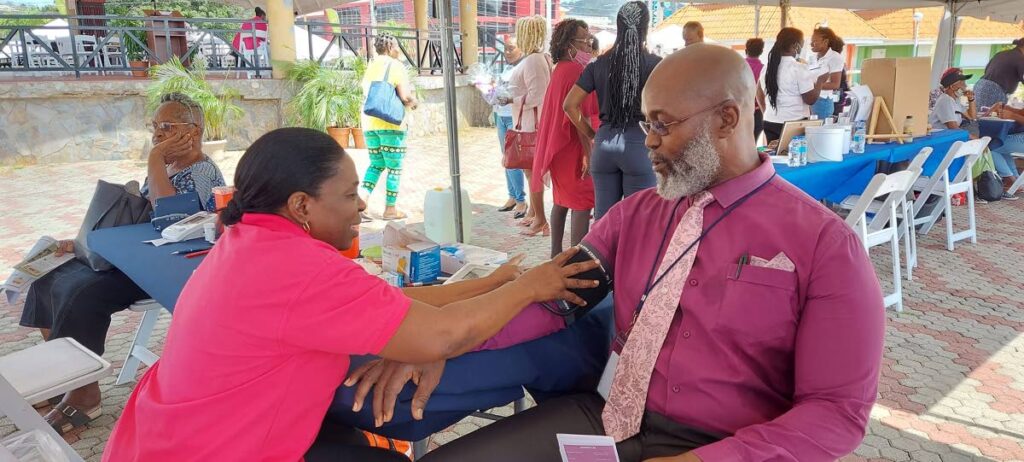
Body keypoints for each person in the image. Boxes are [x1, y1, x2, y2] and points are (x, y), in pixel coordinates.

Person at [419, 44, 885, 462]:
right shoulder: (633, 215)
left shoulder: (826, 245)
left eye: (663, 124)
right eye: (647, 123)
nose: (649, 141)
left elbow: (836, 413)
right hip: (606, 420)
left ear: (727, 118)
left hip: (727, 444)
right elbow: (554, 299)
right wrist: (448, 341)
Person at [101, 128, 600, 462]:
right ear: (301, 205)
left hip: (165, 439)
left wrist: (497, 284)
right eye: (347, 194)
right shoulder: (297, 268)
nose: (361, 205)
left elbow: (404, 308)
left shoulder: (249, 242)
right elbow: (442, 336)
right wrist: (532, 286)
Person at [21, 93, 226, 435]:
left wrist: (155, 159)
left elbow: (167, 215)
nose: (157, 134)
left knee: (82, 295)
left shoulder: (202, 170)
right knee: (49, 279)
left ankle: (85, 395)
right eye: (155, 127)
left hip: (161, 263)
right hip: (134, 252)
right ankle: (66, 378)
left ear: (194, 130)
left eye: (167, 127)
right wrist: (82, 243)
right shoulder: (169, 164)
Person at [564, 1, 661, 220]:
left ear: (619, 27)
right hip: (640, 143)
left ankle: (601, 256)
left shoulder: (597, 65)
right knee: (639, 222)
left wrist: (592, 134)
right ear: (645, 28)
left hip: (604, 143)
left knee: (603, 223)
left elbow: (569, 105)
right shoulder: (656, 64)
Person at [533, 19, 599, 257]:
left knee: (561, 201)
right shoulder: (575, 70)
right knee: (582, 203)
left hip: (560, 148)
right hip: (573, 147)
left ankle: (555, 256)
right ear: (570, 44)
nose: (588, 45)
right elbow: (578, 116)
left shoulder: (560, 68)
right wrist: (588, 153)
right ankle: (574, 262)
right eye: (584, 40)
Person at [498, 15, 553, 236]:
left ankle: (540, 218)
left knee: (533, 172)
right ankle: (533, 213)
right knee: (531, 172)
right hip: (531, 123)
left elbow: (537, 96)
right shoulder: (540, 58)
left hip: (532, 126)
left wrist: (511, 100)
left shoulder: (533, 60)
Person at [360, 32, 418, 221]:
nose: (398, 50)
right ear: (389, 47)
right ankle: (390, 210)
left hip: (369, 123)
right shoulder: (395, 66)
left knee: (376, 164)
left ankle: (361, 203)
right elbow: (405, 97)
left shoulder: (371, 66)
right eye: (396, 46)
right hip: (391, 125)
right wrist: (414, 102)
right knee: (394, 168)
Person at [757, 27, 827, 145]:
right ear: (796, 46)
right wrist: (820, 81)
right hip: (793, 122)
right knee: (793, 157)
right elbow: (810, 99)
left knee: (775, 158)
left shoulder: (768, 67)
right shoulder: (798, 68)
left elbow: (758, 93)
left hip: (770, 120)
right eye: (802, 45)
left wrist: (767, 111)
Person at [494, 36, 528, 218]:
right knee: (506, 158)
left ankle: (521, 201)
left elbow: (528, 95)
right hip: (500, 114)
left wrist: (509, 98)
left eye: (511, 48)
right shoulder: (506, 67)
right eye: (505, 49)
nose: (507, 52)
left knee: (513, 159)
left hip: (513, 117)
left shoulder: (524, 68)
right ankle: (512, 196)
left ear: (521, 49)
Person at [974, 38, 1024, 110]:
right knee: (990, 118)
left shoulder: (1000, 54)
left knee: (979, 116)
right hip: (993, 90)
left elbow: (986, 70)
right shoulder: (1020, 58)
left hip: (980, 85)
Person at [809, 27, 845, 121]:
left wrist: (812, 86)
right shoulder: (813, 58)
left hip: (822, 101)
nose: (811, 44)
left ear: (825, 42)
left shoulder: (835, 58)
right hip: (810, 100)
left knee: (819, 133)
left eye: (815, 41)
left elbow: (835, 84)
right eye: (811, 41)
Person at [745, 38, 765, 140]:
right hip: (757, 112)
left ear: (746, 50)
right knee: (753, 143)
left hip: (741, 110)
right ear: (761, 51)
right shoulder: (764, 69)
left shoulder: (739, 65)